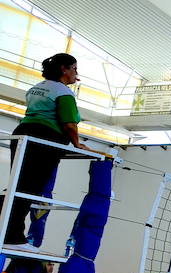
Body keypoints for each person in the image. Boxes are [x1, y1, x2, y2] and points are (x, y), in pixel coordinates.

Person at [4, 53, 103, 253]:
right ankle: (13, 237)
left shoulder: (36, 88)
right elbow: (69, 124)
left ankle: (8, 231)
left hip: (23, 135)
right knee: (29, 189)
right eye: (75, 68)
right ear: (64, 70)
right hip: (45, 139)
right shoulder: (63, 92)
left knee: (17, 184)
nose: (77, 73)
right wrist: (77, 144)